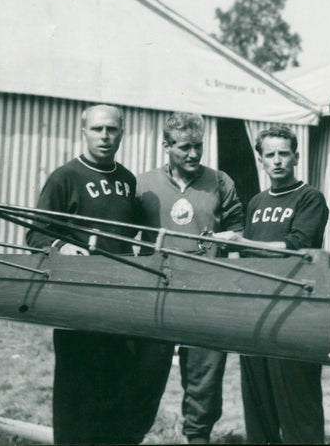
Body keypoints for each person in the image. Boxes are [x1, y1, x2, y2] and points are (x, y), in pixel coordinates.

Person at [26, 104, 172, 445]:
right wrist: (63, 245)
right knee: (77, 394)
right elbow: (35, 234)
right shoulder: (65, 177)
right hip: (78, 301)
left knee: (118, 391)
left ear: (121, 133)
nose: (105, 136)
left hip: (119, 301)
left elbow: (133, 235)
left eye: (112, 129)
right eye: (97, 129)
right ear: (84, 132)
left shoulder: (128, 180)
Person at [213, 125, 329, 444]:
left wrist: (242, 241)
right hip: (258, 312)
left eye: (284, 154)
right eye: (270, 155)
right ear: (260, 160)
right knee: (258, 407)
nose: (277, 161)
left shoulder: (310, 197)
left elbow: (297, 246)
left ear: (296, 157)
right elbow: (249, 258)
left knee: (298, 407)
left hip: (295, 312)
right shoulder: (256, 202)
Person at [136, 112, 244, 444]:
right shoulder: (143, 186)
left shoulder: (220, 181)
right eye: (185, 147)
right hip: (157, 295)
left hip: (205, 297)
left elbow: (238, 233)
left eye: (199, 146)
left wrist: (229, 243)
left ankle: (198, 437)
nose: (194, 154)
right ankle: (131, 433)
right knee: (142, 377)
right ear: (166, 145)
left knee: (204, 382)